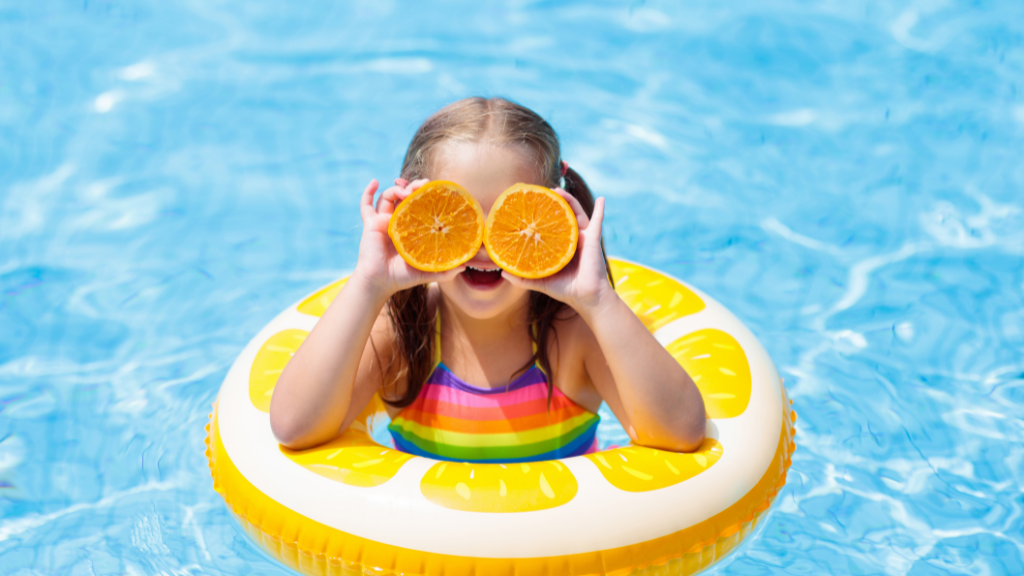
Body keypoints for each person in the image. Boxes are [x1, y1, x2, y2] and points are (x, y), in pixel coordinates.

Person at [269, 97, 706, 462]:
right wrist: (369, 283)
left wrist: (595, 299)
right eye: (457, 215)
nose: (483, 246)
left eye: (509, 217)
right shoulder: (403, 333)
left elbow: (680, 434)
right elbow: (295, 427)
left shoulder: (573, 334)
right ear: (414, 211)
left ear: (554, 209)